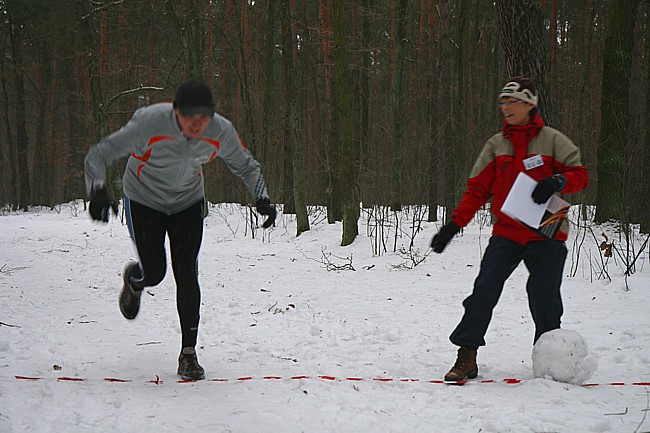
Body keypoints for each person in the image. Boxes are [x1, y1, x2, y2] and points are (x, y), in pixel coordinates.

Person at [84, 80, 276, 380]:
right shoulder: (149, 123)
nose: (197, 125)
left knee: (186, 273)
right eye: (189, 117)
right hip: (144, 199)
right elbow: (99, 153)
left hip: (187, 201)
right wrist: (97, 189)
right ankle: (135, 281)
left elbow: (247, 166)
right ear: (176, 112)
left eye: (204, 118)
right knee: (155, 272)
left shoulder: (220, 131)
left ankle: (188, 354)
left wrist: (262, 196)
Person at [430, 77, 588, 382]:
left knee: (544, 297)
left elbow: (580, 175)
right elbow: (477, 189)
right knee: (483, 291)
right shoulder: (496, 145)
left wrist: (558, 181)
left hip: (547, 233)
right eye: (503, 101)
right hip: (507, 233)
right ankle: (467, 356)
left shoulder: (553, 140)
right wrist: (454, 225)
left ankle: (550, 362)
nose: (506, 107)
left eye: (513, 101)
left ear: (530, 104)